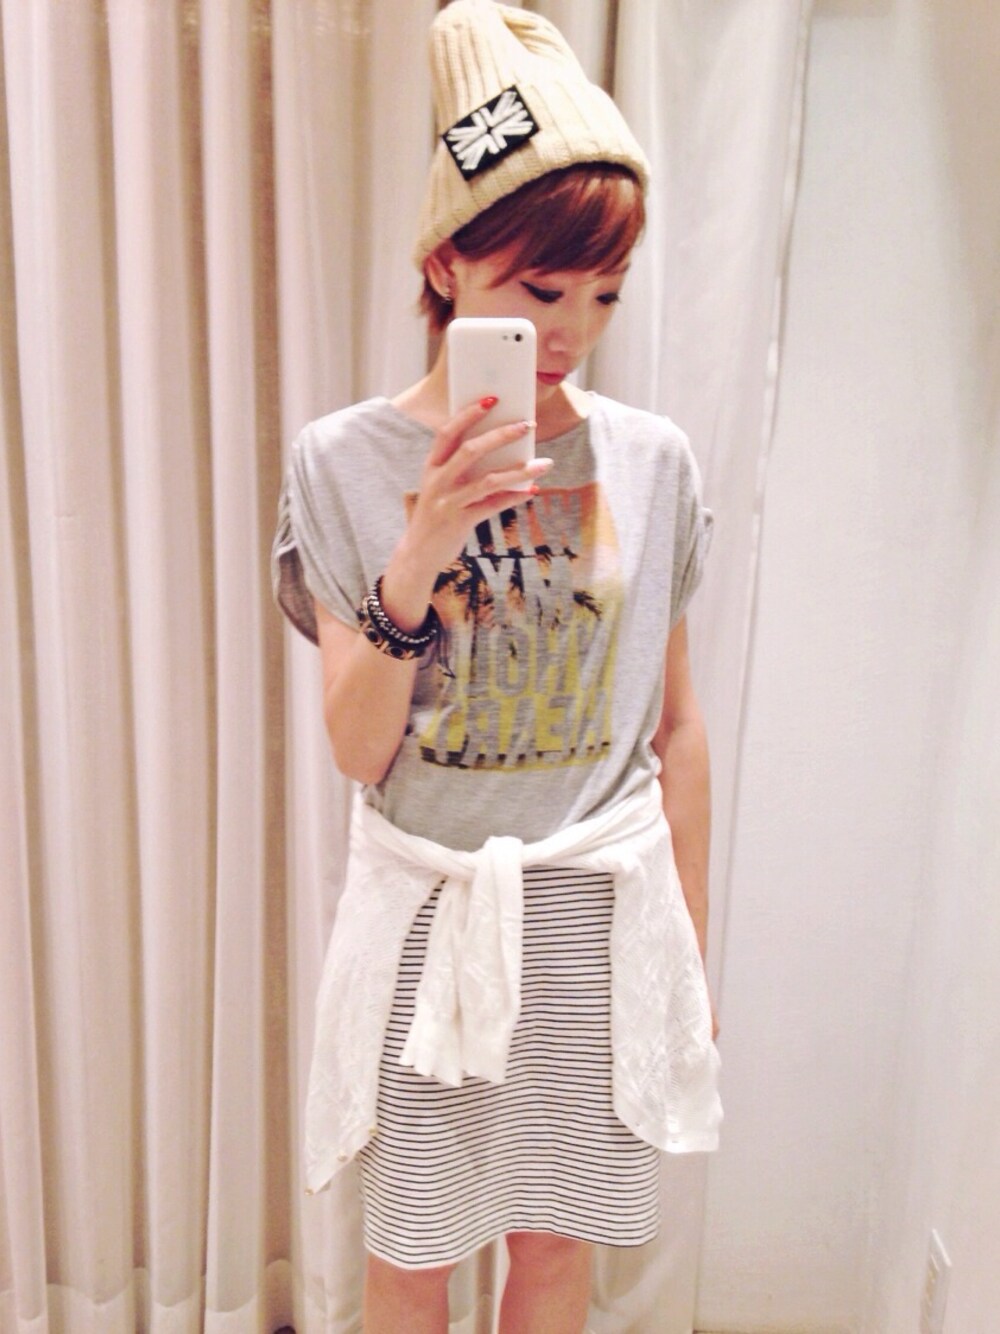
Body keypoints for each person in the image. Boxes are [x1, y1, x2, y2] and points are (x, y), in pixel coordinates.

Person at [272, 3, 722, 1330]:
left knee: (556, 1249)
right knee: (409, 1256)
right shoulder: (341, 461)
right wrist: (420, 549)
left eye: (603, 294)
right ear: (447, 261)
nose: (573, 330)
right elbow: (360, 749)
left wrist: (691, 959)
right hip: (431, 915)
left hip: (598, 916)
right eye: (540, 291)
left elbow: (677, 729)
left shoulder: (652, 461)